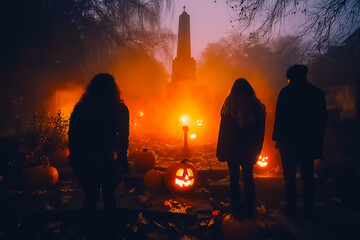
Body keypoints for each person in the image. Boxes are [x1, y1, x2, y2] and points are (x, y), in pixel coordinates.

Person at [68, 73, 129, 230]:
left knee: (91, 196)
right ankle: (110, 229)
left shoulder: (81, 108)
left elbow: (73, 135)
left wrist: (74, 159)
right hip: (109, 157)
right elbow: (124, 138)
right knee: (110, 197)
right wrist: (122, 160)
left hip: (87, 157)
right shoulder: (120, 109)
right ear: (114, 89)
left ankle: (86, 228)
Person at [272, 64, 327, 220]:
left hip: (289, 144)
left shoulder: (285, 93)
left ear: (290, 77)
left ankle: (291, 210)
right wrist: (318, 144)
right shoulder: (316, 94)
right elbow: (321, 122)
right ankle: (309, 209)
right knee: (308, 176)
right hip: (308, 143)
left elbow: (279, 119)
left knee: (289, 178)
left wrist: (278, 141)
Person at [217, 78, 266, 219]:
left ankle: (236, 209)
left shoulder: (228, 105)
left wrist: (221, 151)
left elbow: (223, 131)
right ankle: (250, 208)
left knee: (234, 179)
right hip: (249, 150)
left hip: (232, 149)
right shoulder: (258, 107)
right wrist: (258, 150)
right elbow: (260, 132)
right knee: (248, 178)